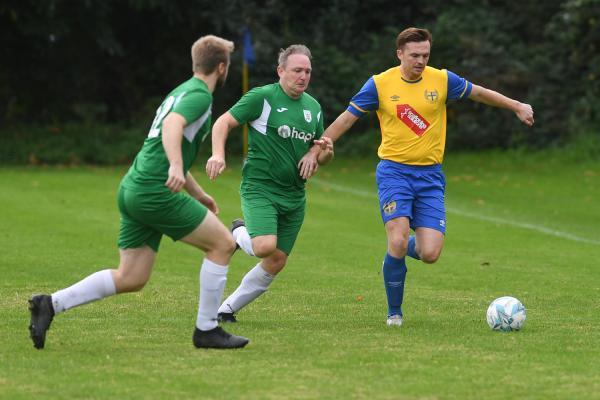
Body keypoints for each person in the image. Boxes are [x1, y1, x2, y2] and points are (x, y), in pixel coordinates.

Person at [300, 27, 535, 327]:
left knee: (430, 253)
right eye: (414, 55)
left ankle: (399, 248)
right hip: (394, 172)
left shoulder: (442, 79)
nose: (421, 61)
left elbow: (478, 93)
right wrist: (314, 151)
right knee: (397, 241)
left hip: (430, 177)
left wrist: (516, 105)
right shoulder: (379, 84)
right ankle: (394, 312)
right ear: (400, 54)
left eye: (425, 55)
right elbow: (347, 118)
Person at [28, 35, 249, 349]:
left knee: (132, 276)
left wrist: (197, 192)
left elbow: (172, 145)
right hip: (154, 192)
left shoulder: (180, 91)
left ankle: (50, 304)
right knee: (223, 244)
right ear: (222, 67)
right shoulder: (200, 95)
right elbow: (173, 127)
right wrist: (174, 166)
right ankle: (207, 329)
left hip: (133, 187)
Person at [205, 44, 333, 322]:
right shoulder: (262, 98)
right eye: (297, 70)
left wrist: (324, 153)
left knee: (276, 260)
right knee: (264, 246)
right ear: (281, 71)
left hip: (295, 196)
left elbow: (319, 153)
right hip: (260, 188)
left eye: (307, 71)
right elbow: (222, 123)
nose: (303, 76)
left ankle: (226, 309)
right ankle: (239, 231)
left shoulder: (314, 107)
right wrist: (217, 154)